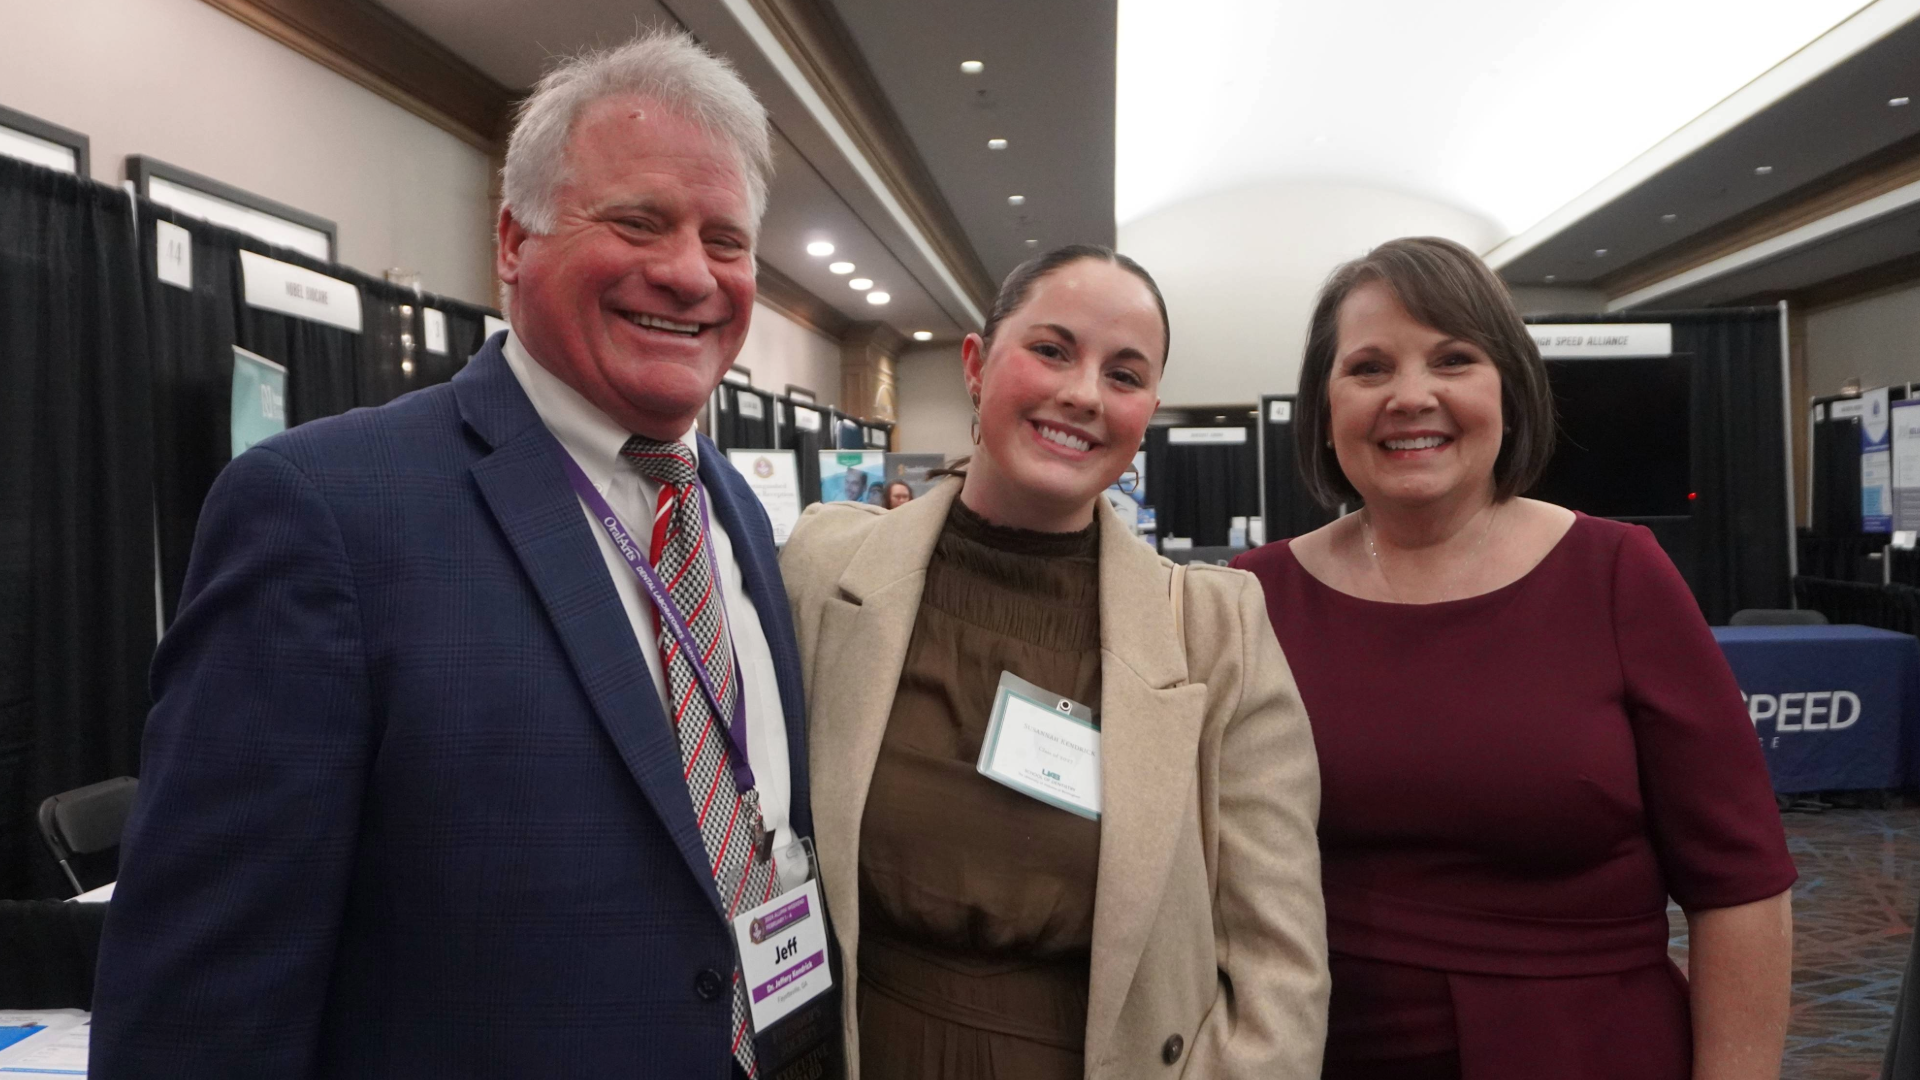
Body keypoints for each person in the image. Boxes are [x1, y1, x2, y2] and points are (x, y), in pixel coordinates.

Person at [91, 32, 823, 1079]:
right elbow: (199, 1003)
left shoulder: (736, 518)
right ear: (514, 242)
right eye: (637, 221)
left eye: (727, 239)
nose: (687, 272)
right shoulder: (325, 515)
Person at [1232, 236, 1795, 1080]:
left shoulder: (1618, 574)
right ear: (1323, 403)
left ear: (1510, 388)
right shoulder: (1248, 599)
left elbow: (1741, 885)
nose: (1411, 396)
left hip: (1590, 1050)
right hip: (1314, 1051)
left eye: (1453, 359)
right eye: (1370, 367)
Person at [781, 244, 1329, 1079]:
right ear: (975, 363)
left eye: (1125, 373)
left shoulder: (1218, 634)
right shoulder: (822, 571)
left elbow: (1278, 972)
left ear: (1148, 407)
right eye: (1051, 350)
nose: (1083, 394)